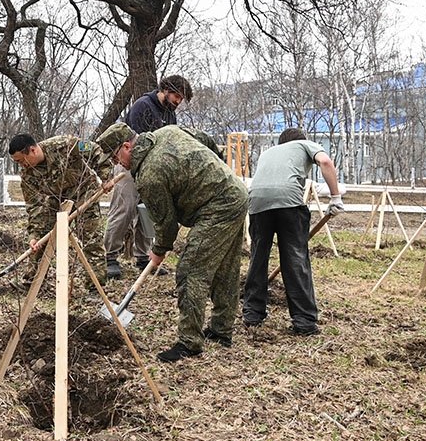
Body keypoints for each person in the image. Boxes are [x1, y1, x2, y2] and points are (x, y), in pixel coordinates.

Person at [96, 122, 247, 363]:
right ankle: (221, 331)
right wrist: (220, 170)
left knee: (190, 271)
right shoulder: (167, 132)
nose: (117, 164)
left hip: (216, 208)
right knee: (225, 267)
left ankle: (189, 343)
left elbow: (166, 224)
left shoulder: (149, 175)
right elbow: (205, 138)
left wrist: (158, 250)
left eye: (115, 157)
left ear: (127, 146)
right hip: (235, 193)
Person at [241, 128, 344, 336]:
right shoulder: (304, 145)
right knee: (295, 259)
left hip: (257, 202)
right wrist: (335, 198)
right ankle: (304, 321)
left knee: (258, 257)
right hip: (289, 203)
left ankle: (252, 313)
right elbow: (325, 162)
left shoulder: (268, 152)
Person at [105, 75, 193, 280]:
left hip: (153, 170)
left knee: (148, 212)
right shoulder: (142, 106)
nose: (178, 101)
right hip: (129, 166)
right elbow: (136, 144)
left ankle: (143, 256)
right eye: (177, 96)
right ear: (165, 90)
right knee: (124, 209)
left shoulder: (170, 115)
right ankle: (110, 256)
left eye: (181, 98)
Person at [9, 133, 112, 285]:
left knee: (91, 238)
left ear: (32, 150)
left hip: (83, 193)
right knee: (40, 239)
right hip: (53, 200)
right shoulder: (28, 175)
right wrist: (34, 235)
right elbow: (34, 206)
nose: (21, 164)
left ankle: (95, 285)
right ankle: (33, 281)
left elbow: (95, 150)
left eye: (21, 160)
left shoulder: (66, 144)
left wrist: (106, 177)